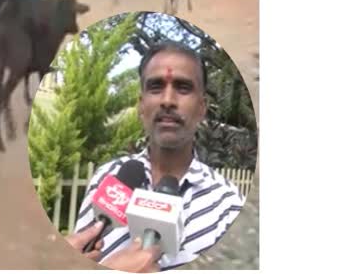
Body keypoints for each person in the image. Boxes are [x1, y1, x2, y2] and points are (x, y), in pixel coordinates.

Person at [67, 42, 245, 271]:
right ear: (141, 105)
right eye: (156, 87)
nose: (167, 100)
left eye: (183, 87)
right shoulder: (108, 178)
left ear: (202, 107)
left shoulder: (228, 206)